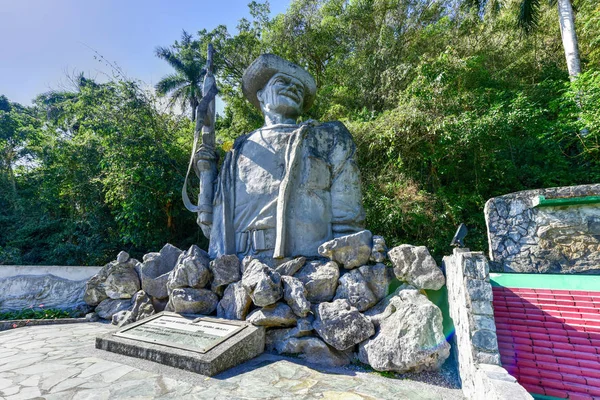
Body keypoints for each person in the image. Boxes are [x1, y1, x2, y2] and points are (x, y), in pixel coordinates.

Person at [197, 54, 365, 265]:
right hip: (234, 267)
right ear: (261, 95)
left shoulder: (328, 138)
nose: (292, 88)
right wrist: (206, 172)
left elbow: (347, 214)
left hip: (307, 267)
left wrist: (345, 259)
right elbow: (212, 226)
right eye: (281, 82)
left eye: (298, 87)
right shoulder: (237, 152)